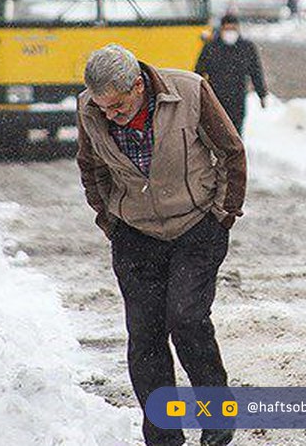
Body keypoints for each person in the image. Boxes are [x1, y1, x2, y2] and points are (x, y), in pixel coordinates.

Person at [76, 44, 246, 446]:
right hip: (135, 235)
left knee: (186, 319)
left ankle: (217, 417)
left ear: (138, 86)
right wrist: (110, 221)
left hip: (195, 227)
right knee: (146, 335)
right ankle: (164, 435)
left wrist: (223, 214)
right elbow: (90, 167)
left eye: (117, 107)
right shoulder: (90, 109)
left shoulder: (189, 92)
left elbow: (231, 152)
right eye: (103, 109)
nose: (109, 116)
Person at [195, 14, 269, 135]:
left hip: (237, 98)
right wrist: (196, 94)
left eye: (233, 29)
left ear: (238, 29)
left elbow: (256, 72)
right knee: (217, 132)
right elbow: (198, 72)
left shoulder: (246, 48)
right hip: (215, 98)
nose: (230, 32)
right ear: (222, 29)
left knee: (235, 133)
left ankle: (235, 153)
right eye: (227, 29)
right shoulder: (211, 47)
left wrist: (262, 94)